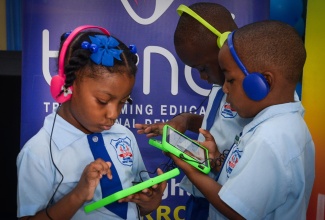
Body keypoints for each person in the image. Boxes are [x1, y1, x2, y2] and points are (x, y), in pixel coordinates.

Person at [167, 20, 315, 219]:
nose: (225, 89)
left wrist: (191, 171)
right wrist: (217, 159)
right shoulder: (276, 125)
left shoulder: (271, 138)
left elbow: (238, 210)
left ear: (265, 82)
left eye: (230, 80)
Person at [16, 25, 166, 220]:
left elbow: (132, 207)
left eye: (122, 102)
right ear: (68, 86)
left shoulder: (124, 136)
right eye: (103, 101)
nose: (113, 114)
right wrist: (78, 195)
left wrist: (150, 203)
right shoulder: (38, 152)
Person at [135, 3, 250, 219]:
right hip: (201, 200)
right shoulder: (221, 87)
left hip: (227, 201)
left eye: (203, 68)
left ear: (225, 45)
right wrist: (186, 121)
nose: (202, 78)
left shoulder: (255, 95)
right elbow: (221, 122)